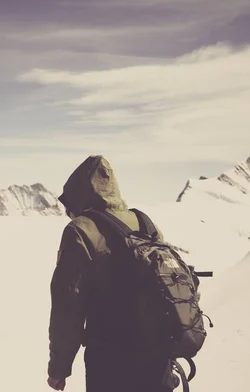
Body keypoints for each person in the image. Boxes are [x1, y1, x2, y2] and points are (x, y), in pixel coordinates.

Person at [46, 155, 174, 392]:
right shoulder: (146, 223)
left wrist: (59, 368)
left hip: (111, 360)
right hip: (159, 358)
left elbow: (67, 306)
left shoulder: (81, 230)